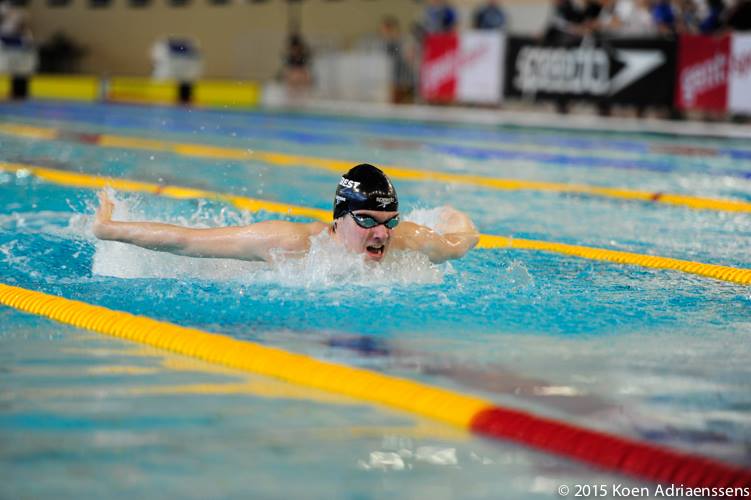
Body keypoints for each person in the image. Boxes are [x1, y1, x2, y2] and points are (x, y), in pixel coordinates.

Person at [93, 164, 479, 265]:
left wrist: (452, 214)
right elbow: (187, 240)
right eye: (366, 220)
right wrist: (109, 228)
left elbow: (460, 242)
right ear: (337, 220)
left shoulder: (405, 242)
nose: (382, 234)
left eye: (389, 221)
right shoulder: (294, 245)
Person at [380, 16, 416, 104]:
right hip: (396, 81)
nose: (382, 33)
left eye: (384, 30)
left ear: (391, 29)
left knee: (405, 106)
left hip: (405, 82)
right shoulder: (388, 43)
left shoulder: (404, 41)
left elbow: (410, 58)